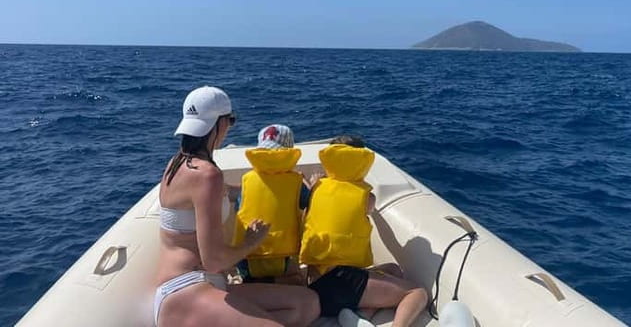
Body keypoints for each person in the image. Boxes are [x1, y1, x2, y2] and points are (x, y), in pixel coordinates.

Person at [154, 86, 320, 327]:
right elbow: (214, 261)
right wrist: (252, 241)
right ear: (220, 124)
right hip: (186, 290)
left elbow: (213, 197)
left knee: (307, 303)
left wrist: (272, 188)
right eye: (230, 121)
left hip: (209, 284)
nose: (230, 127)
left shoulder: (178, 163)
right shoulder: (207, 175)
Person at [300, 135, 427, 327]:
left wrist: (314, 187)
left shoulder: (317, 188)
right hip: (344, 282)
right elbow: (360, 208)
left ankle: (356, 316)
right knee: (417, 292)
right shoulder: (367, 198)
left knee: (393, 269)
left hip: (316, 285)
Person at [234, 124, 309, 284]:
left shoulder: (247, 180)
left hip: (246, 257)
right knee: (298, 279)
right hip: (283, 256)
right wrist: (309, 183)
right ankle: (277, 282)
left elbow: (239, 209)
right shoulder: (296, 183)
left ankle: (253, 282)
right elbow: (311, 205)